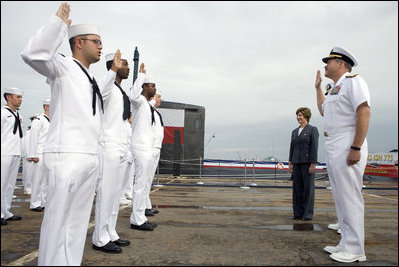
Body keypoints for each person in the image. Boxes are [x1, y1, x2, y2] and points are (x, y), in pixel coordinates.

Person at [21, 2, 121, 265]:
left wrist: (112, 72)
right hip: (66, 154)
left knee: (76, 225)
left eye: (101, 42)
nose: (101, 46)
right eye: (96, 41)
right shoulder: (62, 67)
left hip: (89, 156)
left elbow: (102, 99)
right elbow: (33, 54)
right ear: (78, 42)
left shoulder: (88, 77)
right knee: (57, 222)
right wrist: (57, 25)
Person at [315, 46, 370, 263]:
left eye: (329, 61)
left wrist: (356, 147)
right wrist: (318, 88)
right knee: (340, 197)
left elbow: (364, 111)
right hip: (333, 141)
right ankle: (346, 242)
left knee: (350, 196)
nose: (325, 65)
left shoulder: (353, 81)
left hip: (348, 140)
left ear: (341, 64)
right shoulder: (334, 88)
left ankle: (356, 248)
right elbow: (323, 110)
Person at [92, 52, 131, 254]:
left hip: (121, 146)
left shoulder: (120, 91)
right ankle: (99, 238)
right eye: (124, 63)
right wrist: (112, 70)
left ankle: (110, 232)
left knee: (115, 195)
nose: (128, 67)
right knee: (106, 193)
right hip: (108, 145)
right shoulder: (107, 87)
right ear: (113, 65)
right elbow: (99, 89)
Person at [129, 63, 163, 231]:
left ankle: (141, 215)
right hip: (141, 147)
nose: (154, 89)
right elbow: (133, 94)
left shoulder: (147, 105)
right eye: (152, 86)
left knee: (144, 185)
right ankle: (137, 219)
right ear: (143, 87)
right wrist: (141, 75)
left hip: (148, 148)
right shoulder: (138, 102)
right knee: (140, 184)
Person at [288, 107, 319, 221]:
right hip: (296, 163)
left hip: (307, 164)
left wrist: (313, 164)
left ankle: (307, 214)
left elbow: (314, 148)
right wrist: (290, 163)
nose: (298, 117)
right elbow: (292, 148)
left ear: (306, 116)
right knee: (297, 189)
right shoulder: (294, 132)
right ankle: (297, 213)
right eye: (297, 115)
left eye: (300, 115)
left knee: (308, 189)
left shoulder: (312, 130)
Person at [1, 86, 23, 226]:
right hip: (4, 152)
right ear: (9, 97)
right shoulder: (3, 113)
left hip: (15, 152)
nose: (20, 100)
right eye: (17, 97)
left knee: (9, 185)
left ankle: (6, 212)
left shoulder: (17, 115)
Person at [28, 99, 50, 212]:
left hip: (47, 154)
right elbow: (33, 137)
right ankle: (34, 203)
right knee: (37, 180)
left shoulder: (50, 121)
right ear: (46, 107)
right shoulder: (39, 120)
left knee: (45, 181)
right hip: (39, 153)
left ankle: (43, 201)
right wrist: (33, 154)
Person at [145, 91, 163, 216]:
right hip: (150, 148)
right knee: (145, 180)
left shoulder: (156, 113)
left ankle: (146, 205)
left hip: (156, 148)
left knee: (149, 180)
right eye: (158, 97)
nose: (160, 99)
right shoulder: (147, 109)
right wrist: (151, 100)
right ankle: (143, 207)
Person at [22, 115, 38, 195]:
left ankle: (30, 188)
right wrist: (29, 155)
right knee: (28, 174)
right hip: (29, 156)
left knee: (32, 174)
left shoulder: (34, 131)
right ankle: (27, 189)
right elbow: (27, 145)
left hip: (34, 155)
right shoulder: (29, 132)